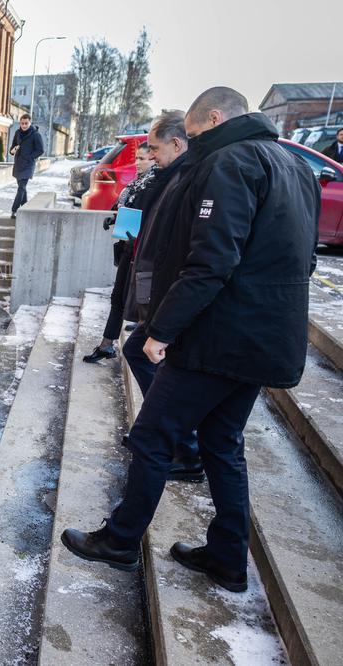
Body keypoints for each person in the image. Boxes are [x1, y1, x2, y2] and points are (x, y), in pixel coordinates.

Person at [62, 87, 321, 593]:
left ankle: (119, 541)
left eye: (197, 134)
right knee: (223, 444)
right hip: (267, 336)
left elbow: (212, 261)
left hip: (221, 336)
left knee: (154, 436)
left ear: (215, 118)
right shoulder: (294, 166)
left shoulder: (231, 162)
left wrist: (162, 329)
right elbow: (304, 260)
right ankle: (227, 556)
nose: (195, 144)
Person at [115, 111, 204, 482]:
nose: (149, 156)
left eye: (154, 149)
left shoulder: (186, 178)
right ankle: (176, 443)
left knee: (140, 352)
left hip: (174, 298)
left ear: (177, 144)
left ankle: (181, 447)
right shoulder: (170, 175)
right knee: (139, 352)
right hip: (160, 292)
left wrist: (161, 317)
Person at [83, 141, 157, 363]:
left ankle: (142, 341)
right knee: (118, 297)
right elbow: (127, 207)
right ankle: (107, 345)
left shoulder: (157, 185)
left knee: (142, 299)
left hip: (145, 254)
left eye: (142, 159)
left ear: (154, 159)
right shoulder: (139, 183)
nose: (137, 163)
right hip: (129, 247)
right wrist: (114, 218)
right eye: (137, 158)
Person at [9, 114, 45, 216]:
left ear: (30, 123)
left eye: (26, 123)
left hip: (28, 165)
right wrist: (13, 150)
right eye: (22, 123)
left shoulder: (35, 134)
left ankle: (14, 210)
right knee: (22, 189)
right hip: (18, 164)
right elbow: (12, 147)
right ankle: (25, 207)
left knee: (21, 187)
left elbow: (40, 150)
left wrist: (30, 157)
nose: (24, 125)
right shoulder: (17, 133)